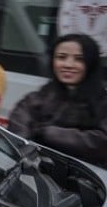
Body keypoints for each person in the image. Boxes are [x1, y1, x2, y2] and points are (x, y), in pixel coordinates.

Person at [7, 33, 107, 167]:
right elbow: (18, 127)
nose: (68, 65)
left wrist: (49, 133)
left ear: (91, 64)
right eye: (61, 57)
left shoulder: (102, 101)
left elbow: (100, 142)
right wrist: (26, 150)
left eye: (79, 59)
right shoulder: (38, 97)